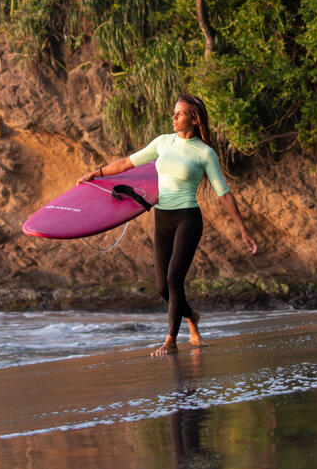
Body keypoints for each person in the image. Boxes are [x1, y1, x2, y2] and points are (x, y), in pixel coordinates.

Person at [77, 94, 259, 357]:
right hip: (162, 217)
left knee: (175, 278)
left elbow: (224, 194)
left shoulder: (205, 153)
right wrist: (97, 172)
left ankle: (170, 341)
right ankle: (191, 316)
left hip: (188, 218)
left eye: (180, 113)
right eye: (174, 113)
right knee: (163, 287)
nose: (174, 117)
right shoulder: (163, 142)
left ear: (194, 119)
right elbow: (128, 162)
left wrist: (243, 229)